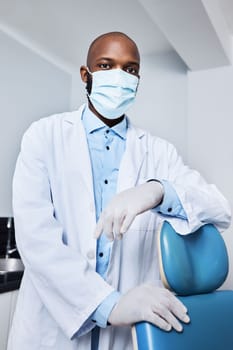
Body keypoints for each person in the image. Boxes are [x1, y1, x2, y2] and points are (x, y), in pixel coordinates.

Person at [8, 32, 231, 350]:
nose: (119, 76)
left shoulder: (158, 153)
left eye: (130, 69)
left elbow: (220, 208)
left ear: (138, 80)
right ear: (86, 76)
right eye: (105, 65)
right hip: (51, 332)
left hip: (127, 336)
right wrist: (108, 304)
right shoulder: (44, 137)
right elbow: (36, 240)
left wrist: (158, 191)